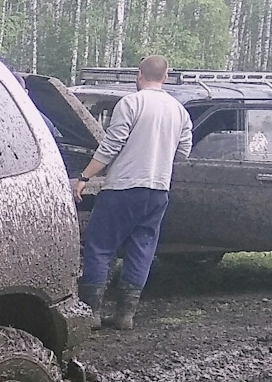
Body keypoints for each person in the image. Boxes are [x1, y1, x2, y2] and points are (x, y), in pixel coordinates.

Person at [73, 54, 192, 331]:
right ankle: (125, 314)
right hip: (158, 190)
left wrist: (85, 176)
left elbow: (111, 145)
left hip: (123, 188)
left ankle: (92, 312)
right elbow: (184, 151)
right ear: (165, 76)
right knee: (142, 248)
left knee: (101, 247)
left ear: (139, 75)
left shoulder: (131, 103)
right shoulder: (179, 111)